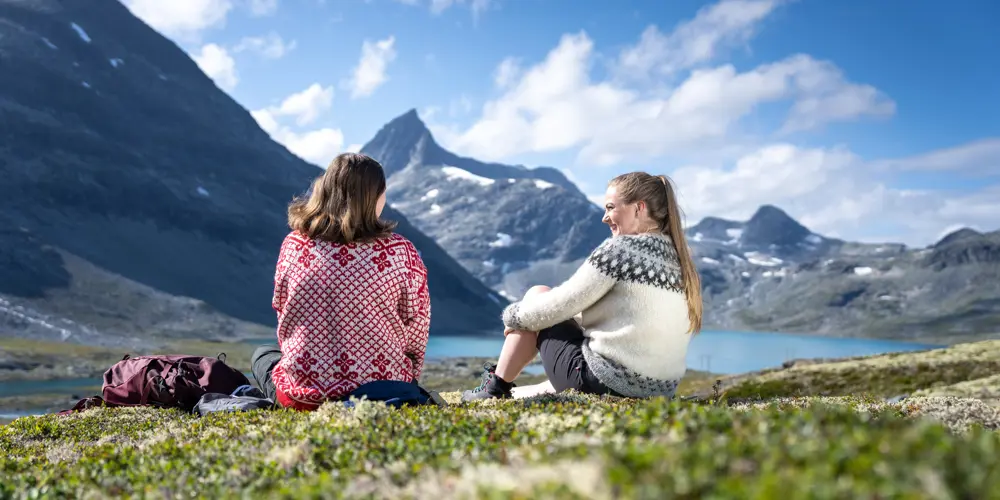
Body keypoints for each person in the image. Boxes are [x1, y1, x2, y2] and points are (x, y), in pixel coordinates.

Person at [462, 172, 702, 401]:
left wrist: (514, 316)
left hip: (606, 383)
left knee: (538, 295)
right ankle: (509, 391)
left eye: (610, 207)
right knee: (540, 387)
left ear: (639, 207)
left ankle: (495, 388)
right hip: (658, 391)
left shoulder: (621, 251)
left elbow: (559, 305)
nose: (604, 217)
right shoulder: (680, 259)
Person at [252, 153, 431, 411]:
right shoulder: (401, 251)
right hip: (380, 393)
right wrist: (408, 377)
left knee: (263, 355)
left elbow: (283, 310)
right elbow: (417, 326)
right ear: (372, 197)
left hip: (304, 398)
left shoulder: (293, 245)